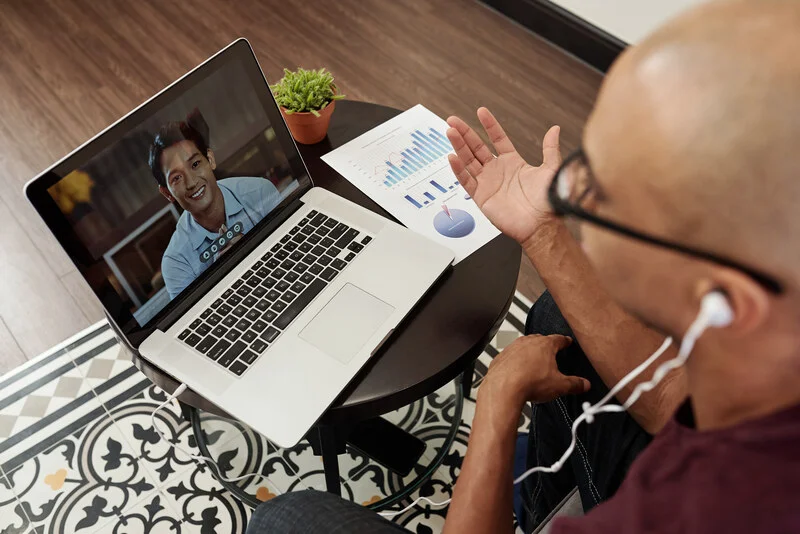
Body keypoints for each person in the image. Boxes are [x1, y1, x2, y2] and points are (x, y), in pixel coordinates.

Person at [245, 0, 800, 532]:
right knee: (560, 312)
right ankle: (542, 503)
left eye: (600, 190)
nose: (575, 193)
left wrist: (496, 401)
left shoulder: (698, 510)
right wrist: (540, 229)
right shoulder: (768, 364)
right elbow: (672, 402)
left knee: (283, 518)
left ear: (727, 302)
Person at [149, 120, 282, 299]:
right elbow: (196, 322)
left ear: (210, 159)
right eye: (177, 178)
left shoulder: (259, 192)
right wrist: (221, 278)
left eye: (195, 164)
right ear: (167, 193)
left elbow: (289, 251)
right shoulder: (176, 263)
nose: (192, 183)